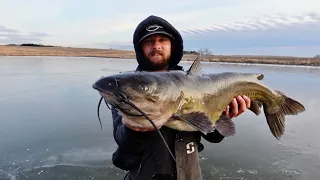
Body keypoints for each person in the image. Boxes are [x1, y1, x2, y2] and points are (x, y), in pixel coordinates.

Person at [109, 15, 251, 180]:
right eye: (149, 42)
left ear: (172, 45)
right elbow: (122, 139)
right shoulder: (127, 89)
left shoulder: (194, 84)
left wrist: (225, 115)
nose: (156, 46)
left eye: (162, 40)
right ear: (140, 49)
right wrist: (135, 129)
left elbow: (213, 136)